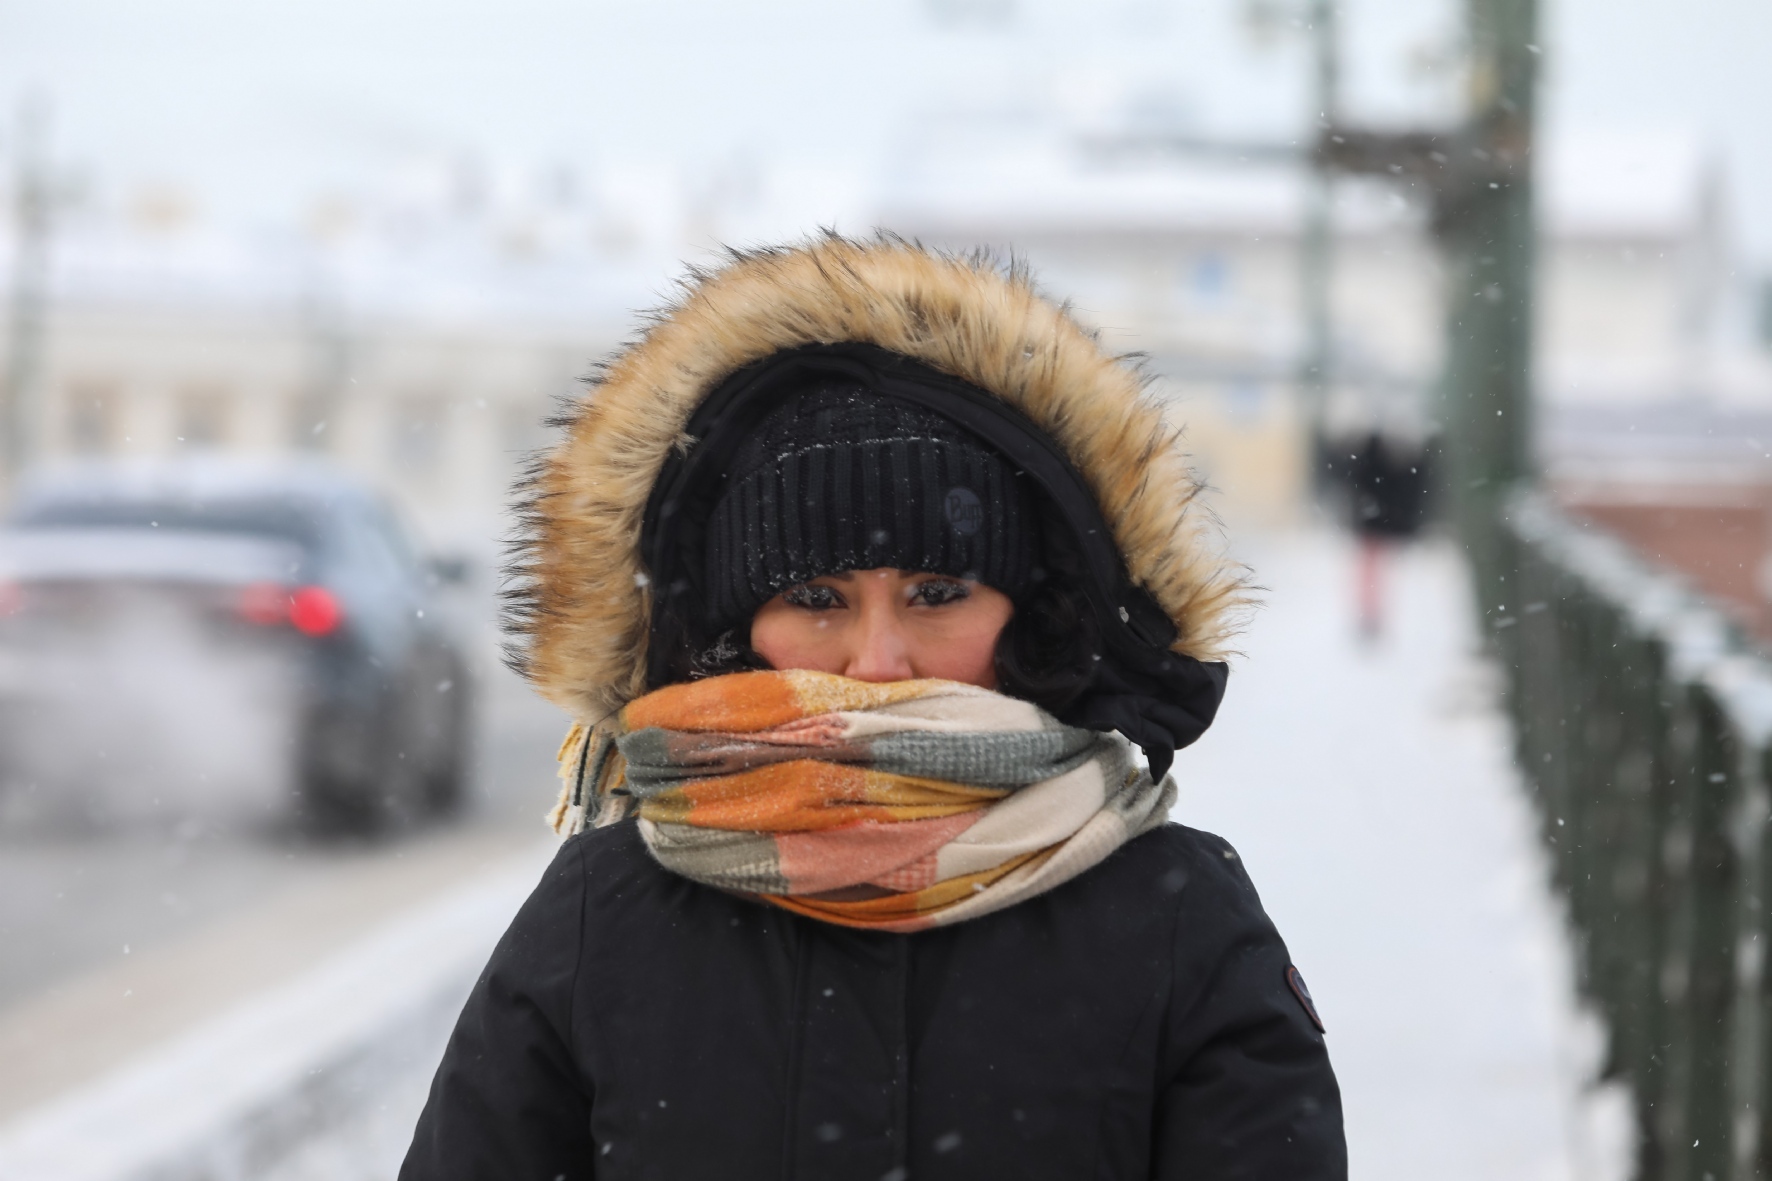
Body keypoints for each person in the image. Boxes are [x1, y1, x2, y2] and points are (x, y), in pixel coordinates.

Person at [399, 235, 1345, 1180]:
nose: (878, 660)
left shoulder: (1171, 920)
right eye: (817, 599)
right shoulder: (607, 913)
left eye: (938, 594)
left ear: (1030, 620)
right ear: (740, 630)